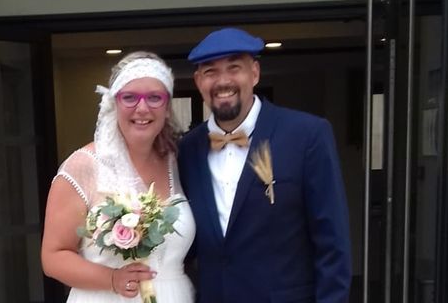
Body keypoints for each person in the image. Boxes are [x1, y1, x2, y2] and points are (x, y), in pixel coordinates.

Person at [178, 28, 351, 303]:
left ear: (255, 73)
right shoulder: (187, 150)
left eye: (234, 68)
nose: (223, 81)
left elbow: (333, 244)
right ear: (199, 81)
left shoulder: (307, 135)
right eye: (210, 72)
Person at [41, 51, 195, 302]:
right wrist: (112, 279)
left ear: (167, 107)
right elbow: (53, 256)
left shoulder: (175, 161)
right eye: (130, 97)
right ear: (114, 103)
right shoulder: (83, 166)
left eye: (154, 98)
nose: (142, 108)